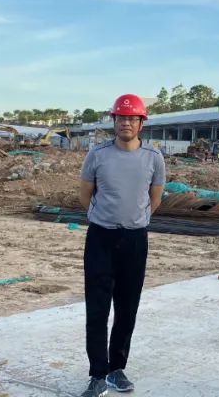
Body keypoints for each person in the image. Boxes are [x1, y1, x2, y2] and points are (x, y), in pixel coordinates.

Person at [78, 94, 166, 397]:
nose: (126, 123)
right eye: (121, 118)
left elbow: (155, 198)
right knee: (97, 308)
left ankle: (117, 368)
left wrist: (136, 219)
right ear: (113, 121)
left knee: (127, 308)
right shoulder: (97, 155)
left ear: (141, 123)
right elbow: (85, 194)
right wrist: (103, 217)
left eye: (132, 118)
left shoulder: (153, 158)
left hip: (135, 240)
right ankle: (97, 374)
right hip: (101, 238)